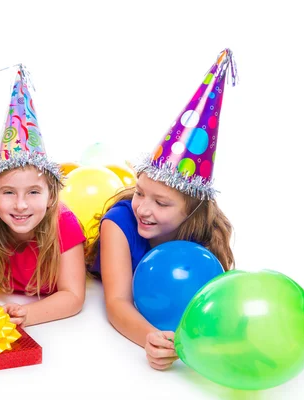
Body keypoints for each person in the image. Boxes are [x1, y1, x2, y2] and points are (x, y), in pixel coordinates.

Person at [85, 49, 237, 370]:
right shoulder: (120, 222)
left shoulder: (206, 233)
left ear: (191, 212)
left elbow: (212, 297)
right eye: (141, 192)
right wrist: (153, 338)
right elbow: (117, 302)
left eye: (162, 202)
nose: (143, 208)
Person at [0, 65, 86, 327]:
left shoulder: (64, 223)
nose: (20, 205)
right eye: (8, 192)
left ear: (51, 195)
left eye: (33, 192)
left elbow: (73, 295)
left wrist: (27, 315)